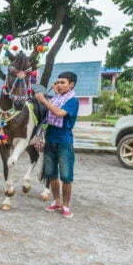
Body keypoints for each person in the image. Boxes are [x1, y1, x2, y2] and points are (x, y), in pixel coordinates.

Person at [35, 72, 79, 218]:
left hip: (64, 141)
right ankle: (57, 201)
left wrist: (44, 101)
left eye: (62, 82)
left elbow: (59, 113)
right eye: (57, 82)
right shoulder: (56, 98)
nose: (58, 85)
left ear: (71, 84)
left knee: (66, 176)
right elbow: (46, 119)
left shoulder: (72, 100)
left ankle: (66, 206)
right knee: (52, 174)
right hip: (50, 139)